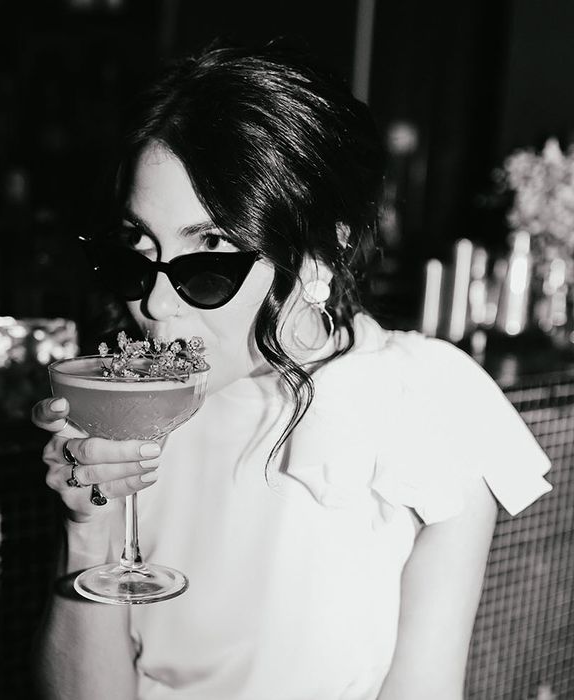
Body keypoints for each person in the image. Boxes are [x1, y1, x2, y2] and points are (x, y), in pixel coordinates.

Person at [30, 38, 553, 700]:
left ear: (319, 253)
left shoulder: (427, 399)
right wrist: (87, 533)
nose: (154, 302)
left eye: (211, 251)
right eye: (139, 249)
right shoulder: (127, 409)